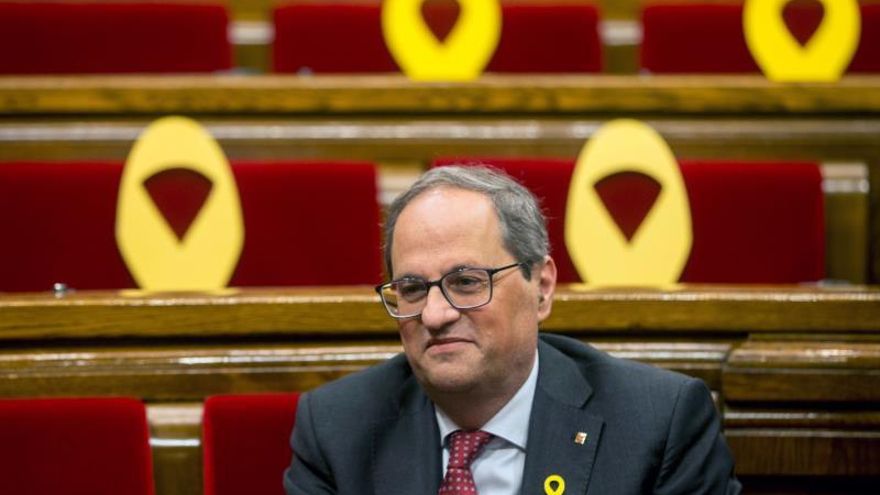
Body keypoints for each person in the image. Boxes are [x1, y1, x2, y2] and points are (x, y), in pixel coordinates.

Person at [284, 165, 741, 494]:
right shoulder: (337, 429)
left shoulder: (657, 425)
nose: (434, 315)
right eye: (412, 289)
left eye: (466, 283)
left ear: (541, 288)